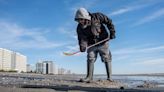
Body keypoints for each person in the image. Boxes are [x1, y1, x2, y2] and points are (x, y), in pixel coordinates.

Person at [75, 8, 116, 82]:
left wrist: (112, 32)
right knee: (90, 58)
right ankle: (89, 77)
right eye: (78, 20)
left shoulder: (97, 16)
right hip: (91, 44)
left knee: (106, 58)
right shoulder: (79, 27)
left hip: (103, 41)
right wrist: (82, 46)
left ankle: (109, 78)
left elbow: (109, 22)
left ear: (85, 17)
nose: (80, 22)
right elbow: (82, 38)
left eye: (81, 19)